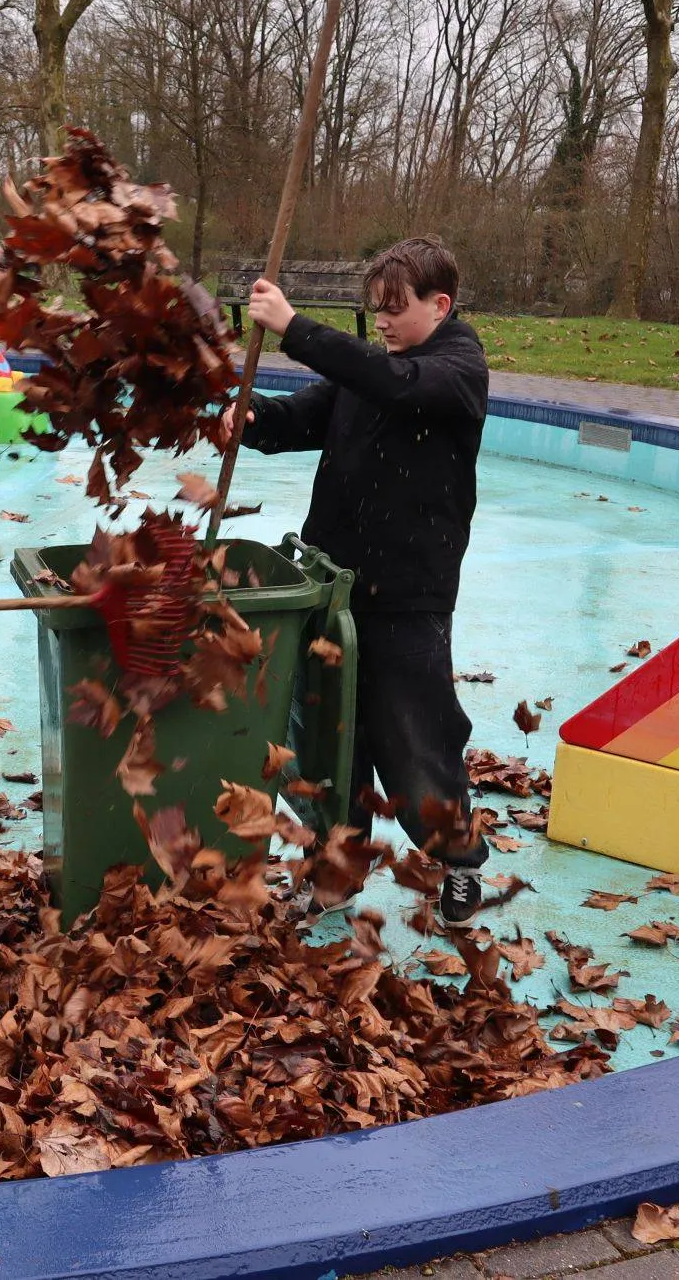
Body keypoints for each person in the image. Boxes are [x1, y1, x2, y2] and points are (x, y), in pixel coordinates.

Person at [232, 236, 492, 927]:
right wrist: (253, 418)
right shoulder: (374, 370)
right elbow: (305, 415)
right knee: (326, 739)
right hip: (333, 586)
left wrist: (294, 327)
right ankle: (336, 869)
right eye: (375, 309)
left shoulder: (457, 370)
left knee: (415, 739)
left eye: (395, 308)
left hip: (407, 596)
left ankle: (459, 861)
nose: (382, 322)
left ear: (440, 305)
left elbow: (393, 384)